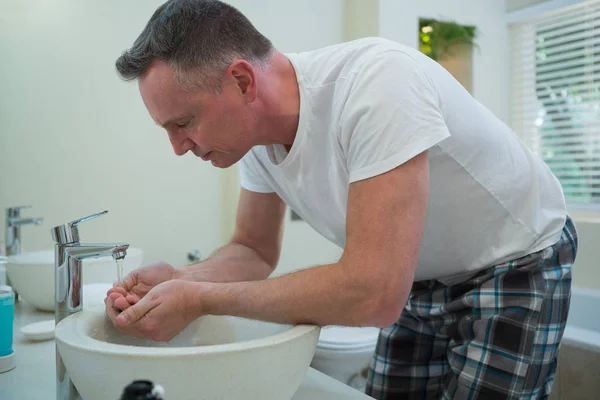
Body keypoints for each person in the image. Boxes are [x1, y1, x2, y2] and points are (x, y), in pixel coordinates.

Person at [104, 0, 578, 398]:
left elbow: (372, 293)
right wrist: (182, 279)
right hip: (418, 276)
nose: (178, 147)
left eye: (183, 123)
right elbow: (252, 250)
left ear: (243, 81)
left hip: (514, 258)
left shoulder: (376, 84)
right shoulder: (252, 143)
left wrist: (201, 298)